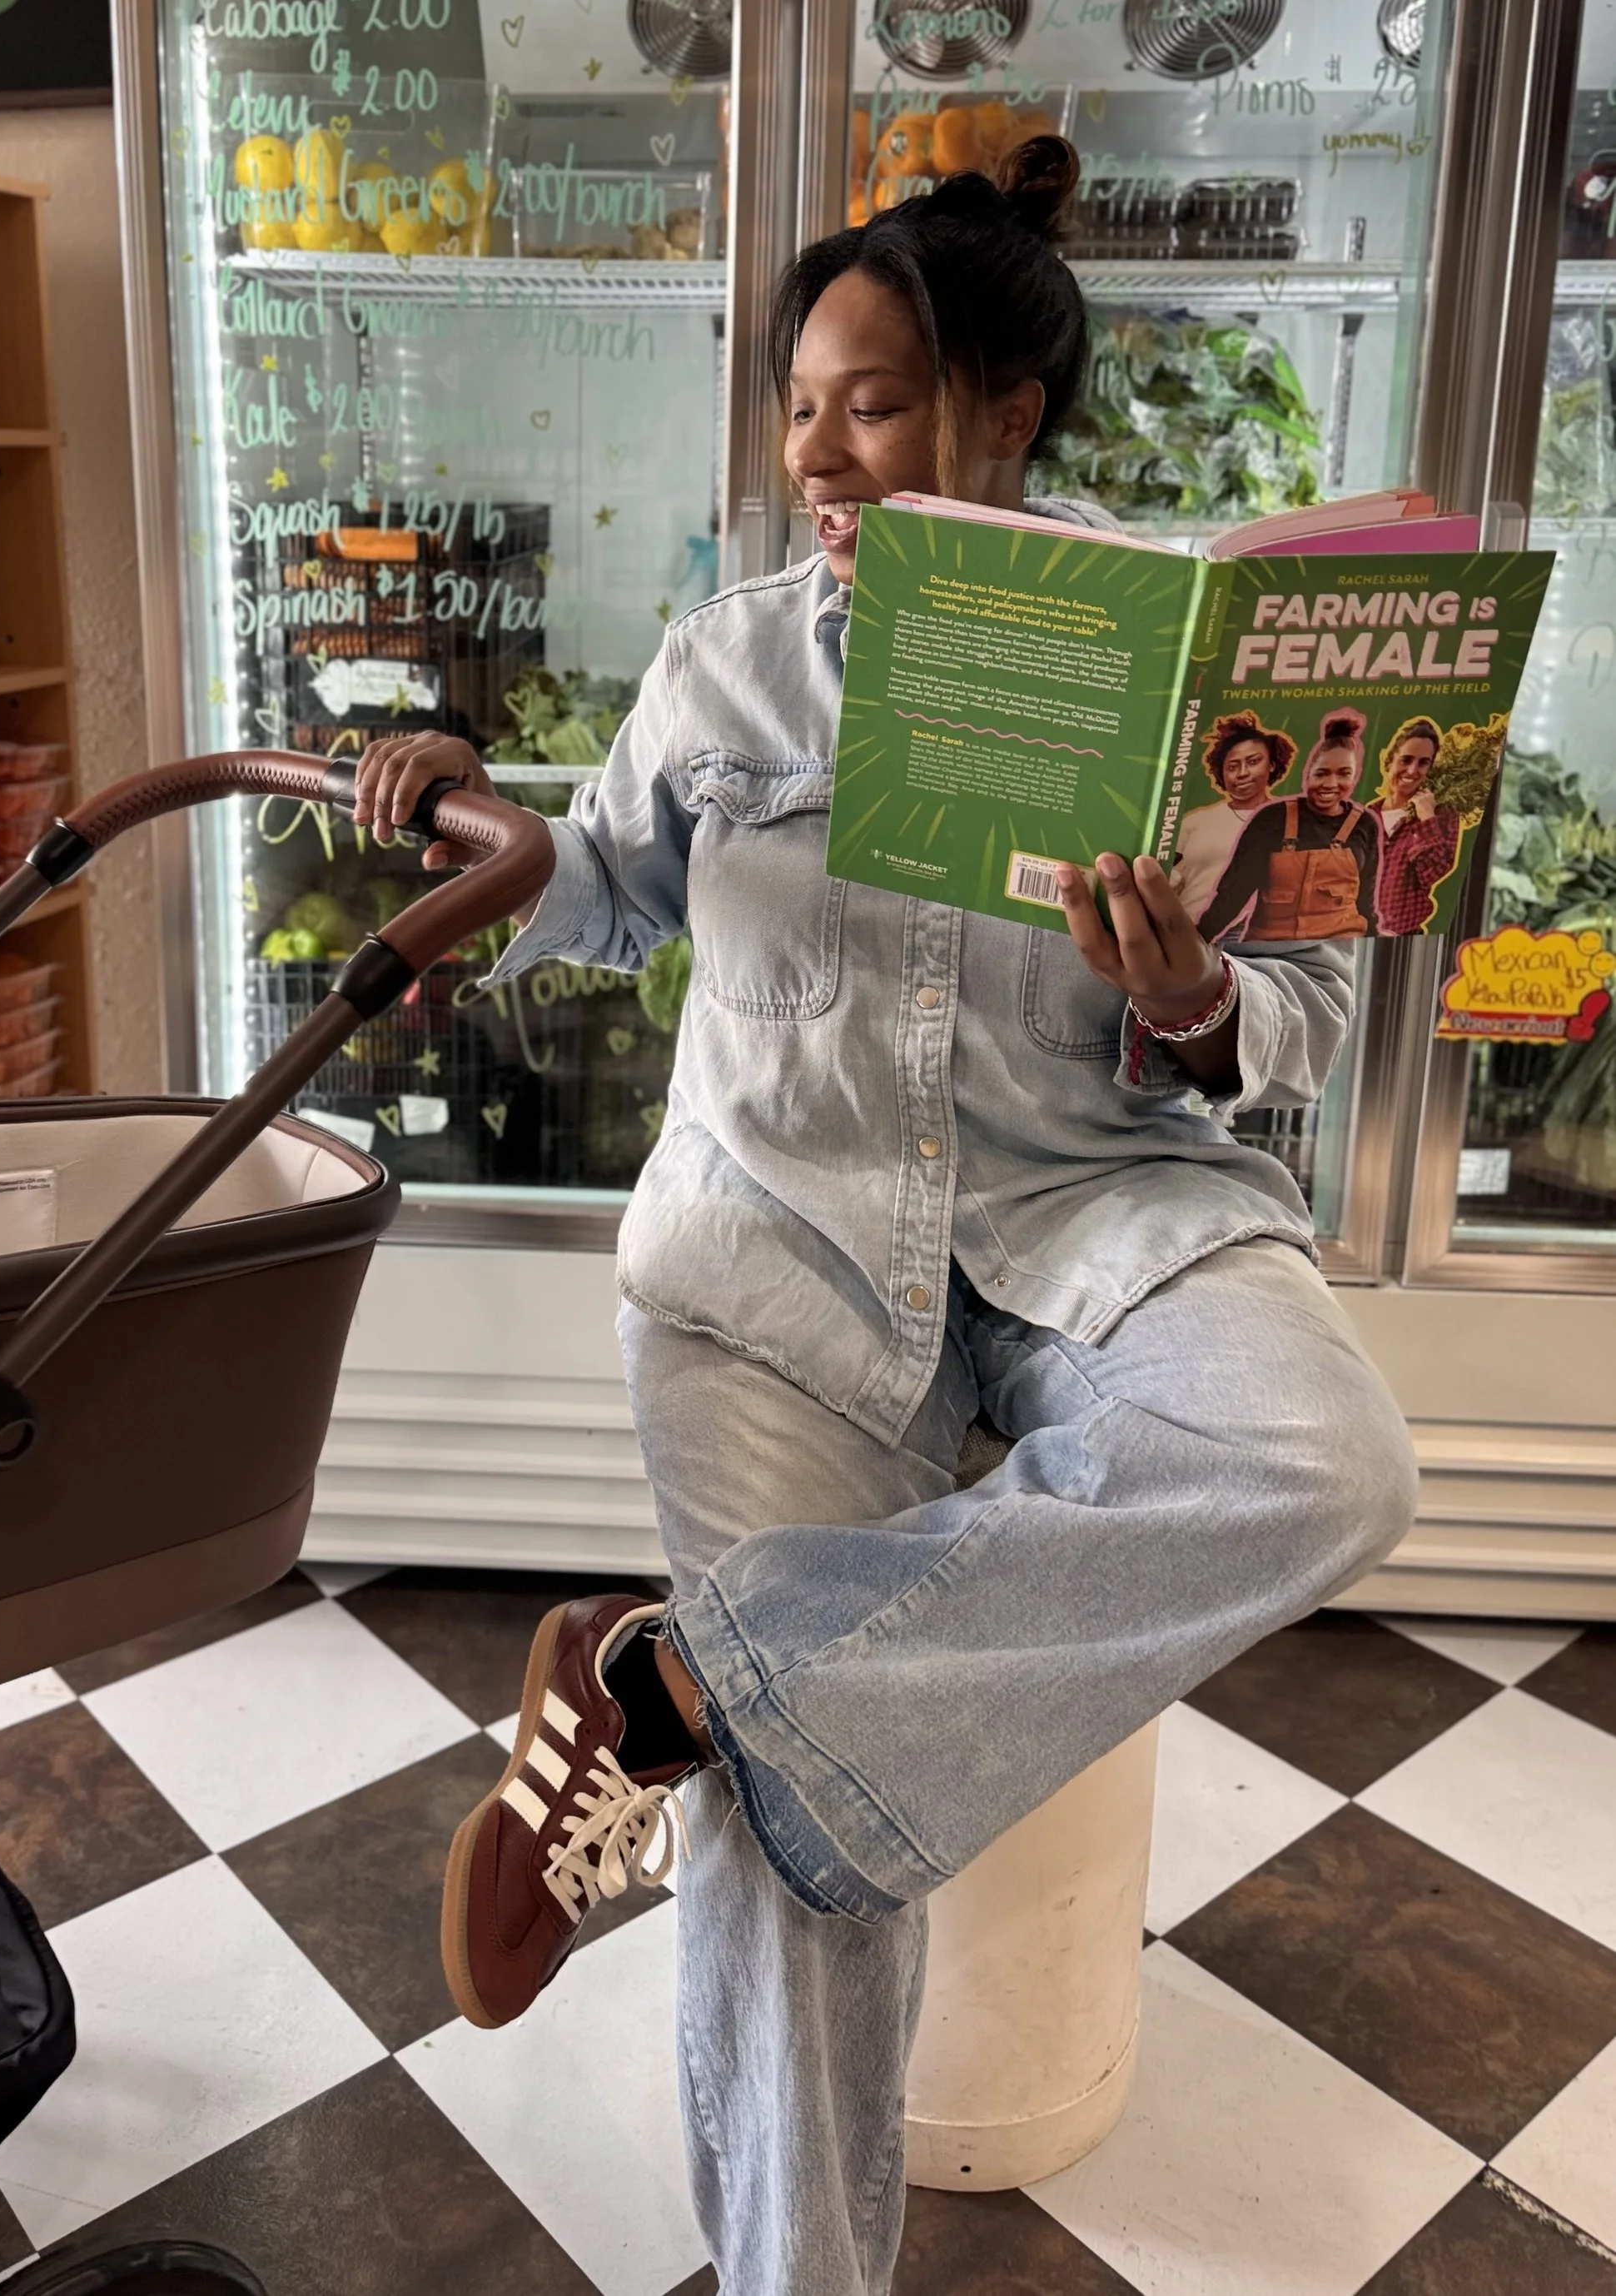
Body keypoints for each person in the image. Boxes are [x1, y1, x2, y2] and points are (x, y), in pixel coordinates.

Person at [354, 139, 1415, 2296]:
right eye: (798, 399)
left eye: (872, 400)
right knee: (800, 1852)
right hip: (777, 1247)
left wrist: (1197, 992)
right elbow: (607, 885)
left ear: (1006, 417)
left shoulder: (1193, 680)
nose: (812, 449)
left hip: (1106, 1203)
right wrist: (464, 824)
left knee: (1331, 1455)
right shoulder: (729, 668)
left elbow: (1306, 999)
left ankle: (674, 1684)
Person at [1196, 708, 1383, 944]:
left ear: (1355, 777)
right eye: (1322, 774)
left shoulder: (1365, 824)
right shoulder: (1273, 819)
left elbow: (1365, 903)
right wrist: (1196, 940)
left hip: (1338, 948)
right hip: (1271, 949)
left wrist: (1376, 948)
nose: (1331, 784)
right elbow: (1233, 894)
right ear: (1307, 774)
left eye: (1344, 774)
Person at [1169, 709, 1297, 921]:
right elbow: (1163, 872)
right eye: (1233, 766)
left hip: (1267, 934)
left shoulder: (1293, 820)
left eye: (1254, 761)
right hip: (1191, 934)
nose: (1243, 773)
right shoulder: (1195, 822)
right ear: (1221, 773)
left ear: (1272, 765)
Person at [1369, 716, 1464, 936]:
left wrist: (1427, 819)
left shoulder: (1442, 816)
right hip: (1356, 933)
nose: (1412, 771)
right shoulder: (1366, 815)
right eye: (1406, 760)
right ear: (1388, 761)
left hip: (1404, 936)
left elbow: (1433, 873)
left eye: (1423, 763)